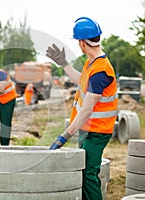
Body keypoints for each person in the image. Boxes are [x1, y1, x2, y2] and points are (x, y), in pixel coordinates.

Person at [46, 17, 118, 200]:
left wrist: (64, 136)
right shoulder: (93, 63)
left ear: (81, 43)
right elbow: (82, 80)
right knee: (85, 173)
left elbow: (86, 110)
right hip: (88, 130)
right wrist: (63, 63)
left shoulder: (101, 70)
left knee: (88, 174)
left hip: (97, 132)